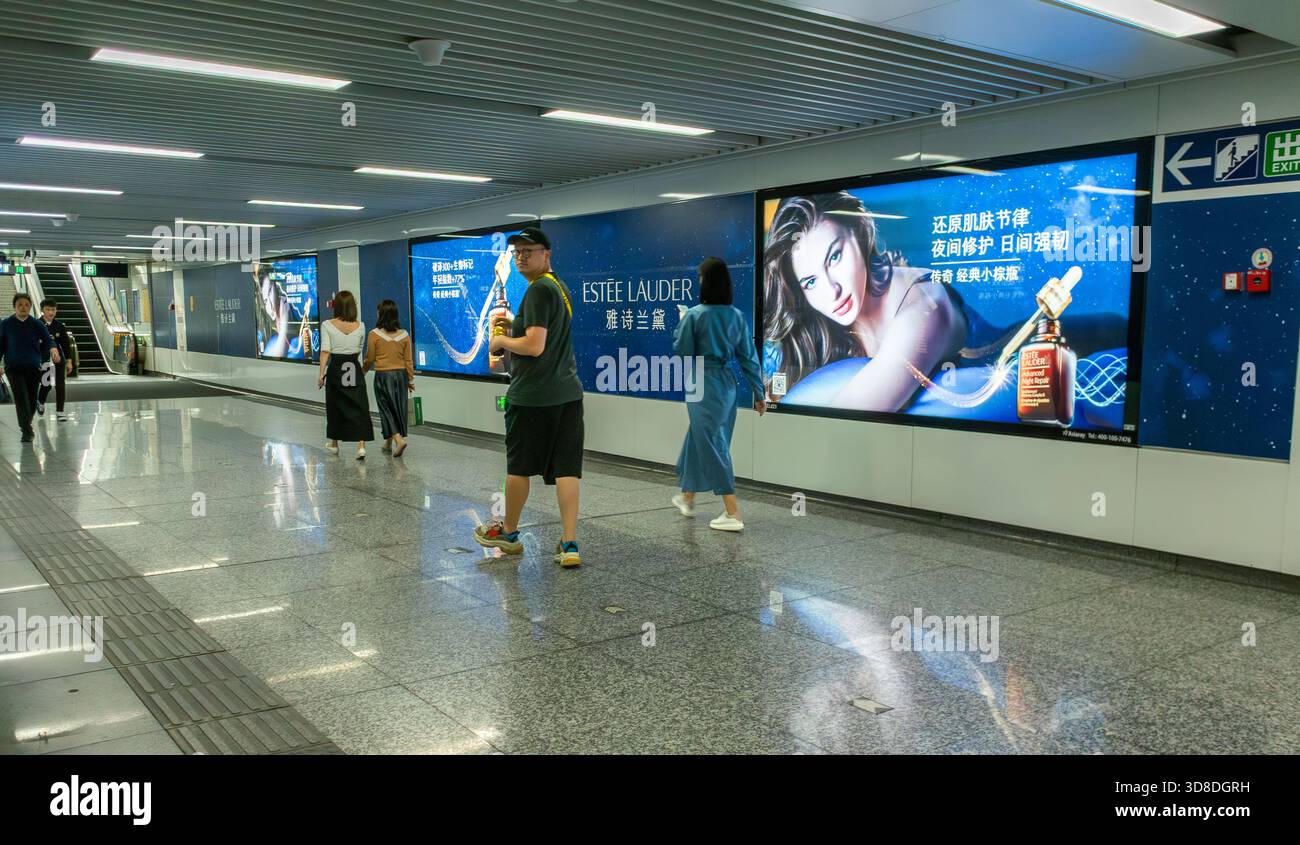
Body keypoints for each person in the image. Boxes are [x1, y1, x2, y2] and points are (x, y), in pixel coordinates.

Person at [763, 191, 967, 411]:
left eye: (834, 257)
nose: (832, 291)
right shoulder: (818, 326)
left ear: (859, 233)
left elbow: (842, 422)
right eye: (811, 282)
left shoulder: (925, 307)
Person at [473, 227, 585, 568]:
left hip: (533, 396)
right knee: (566, 470)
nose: (521, 256)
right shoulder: (560, 288)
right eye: (517, 252)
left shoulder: (537, 290)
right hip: (567, 394)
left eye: (528, 251)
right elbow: (548, 339)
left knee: (519, 468)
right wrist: (514, 327)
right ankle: (569, 544)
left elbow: (535, 346)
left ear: (546, 254)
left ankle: (508, 534)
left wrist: (502, 341)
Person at [671, 258, 766, 531]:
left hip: (702, 382)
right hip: (727, 385)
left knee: (712, 443)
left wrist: (681, 322)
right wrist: (758, 393)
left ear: (707, 282)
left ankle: (732, 511)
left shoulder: (695, 314)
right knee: (700, 436)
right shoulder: (736, 316)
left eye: (701, 278)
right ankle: (688, 497)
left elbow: (683, 350)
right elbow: (749, 357)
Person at [316, 290, 372, 458]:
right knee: (359, 405)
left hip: (336, 369)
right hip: (354, 367)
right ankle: (361, 445)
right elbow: (359, 350)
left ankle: (334, 444)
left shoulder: (327, 325)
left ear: (337, 307)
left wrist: (321, 375)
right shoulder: (361, 326)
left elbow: (325, 351)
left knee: (335, 406)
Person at [0, 292, 62, 443]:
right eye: (20, 305)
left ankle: (26, 423)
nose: (23, 307)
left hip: (33, 366)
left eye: (26, 305)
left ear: (30, 307)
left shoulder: (36, 324)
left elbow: (48, 341)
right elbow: (0, 345)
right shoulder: (6, 324)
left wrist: (53, 349)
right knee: (21, 398)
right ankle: (26, 431)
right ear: (14, 306)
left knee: (32, 399)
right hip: (13, 367)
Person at [362, 299, 415, 457]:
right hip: (401, 377)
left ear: (381, 315)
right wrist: (410, 380)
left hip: (383, 377)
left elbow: (369, 358)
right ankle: (388, 443)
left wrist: (362, 373)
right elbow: (408, 361)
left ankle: (399, 440)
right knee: (397, 409)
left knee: (386, 410)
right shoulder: (404, 335)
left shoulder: (374, 334)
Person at [36, 299, 72, 421]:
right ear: (42, 310)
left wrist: (68, 360)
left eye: (53, 310)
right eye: (48, 309)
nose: (51, 312)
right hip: (44, 360)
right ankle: (40, 401)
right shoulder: (37, 324)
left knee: (60, 385)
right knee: (46, 385)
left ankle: (60, 411)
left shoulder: (59, 326)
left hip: (58, 360)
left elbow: (66, 344)